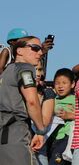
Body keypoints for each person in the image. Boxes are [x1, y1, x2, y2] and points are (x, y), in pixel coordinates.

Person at [0, 35, 46, 164]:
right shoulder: (24, 68)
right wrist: (41, 131)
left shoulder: (7, 71)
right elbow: (32, 101)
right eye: (35, 48)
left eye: (41, 49)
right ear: (19, 51)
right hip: (15, 131)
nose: (40, 52)